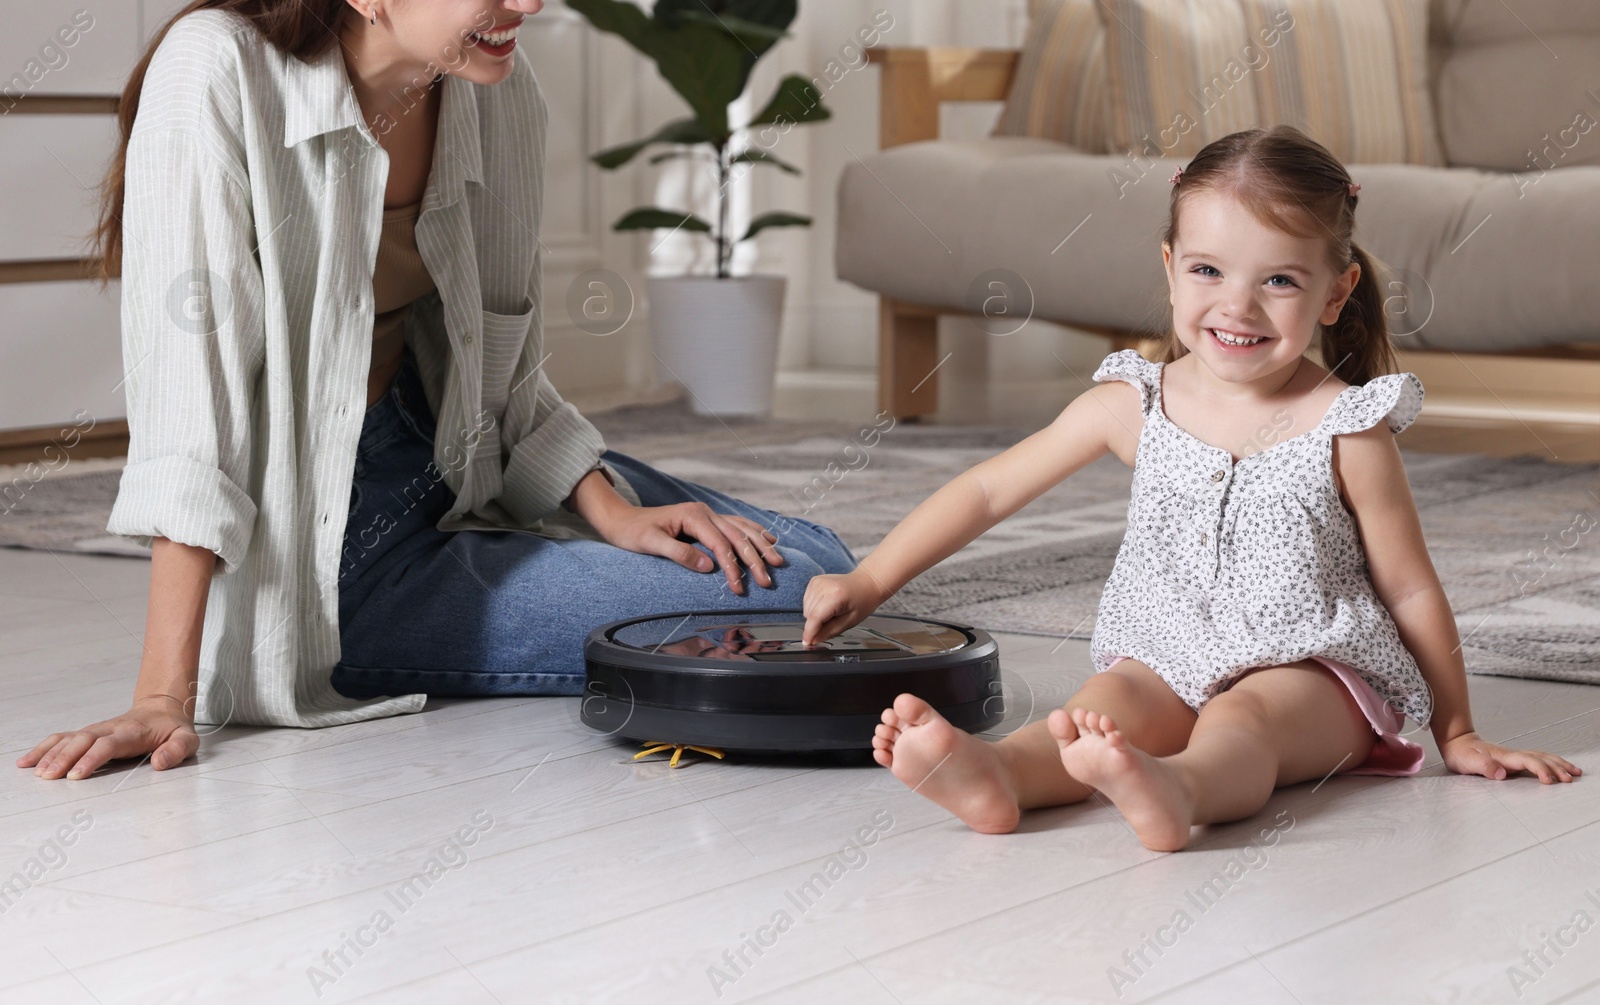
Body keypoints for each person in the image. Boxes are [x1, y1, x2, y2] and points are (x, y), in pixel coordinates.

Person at [20, 0, 854, 783]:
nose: (529, 5)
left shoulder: (496, 88)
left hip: (458, 452)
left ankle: (532, 553)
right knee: (794, 602)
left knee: (828, 566)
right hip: (335, 550)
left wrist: (611, 510)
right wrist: (165, 698)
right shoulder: (213, 71)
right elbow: (191, 412)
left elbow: (510, 365)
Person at [799, 125, 1581, 851]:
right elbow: (987, 491)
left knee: (1246, 718)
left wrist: (1458, 729)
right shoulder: (1131, 403)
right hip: (1165, 656)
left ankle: (1182, 789)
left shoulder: (1348, 426)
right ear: (1170, 266)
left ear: (1335, 294)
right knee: (1104, 705)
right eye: (1208, 270)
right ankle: (1000, 775)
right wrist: (871, 577)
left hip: (1315, 674)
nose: (1236, 306)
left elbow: (1410, 590)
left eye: (1278, 280)